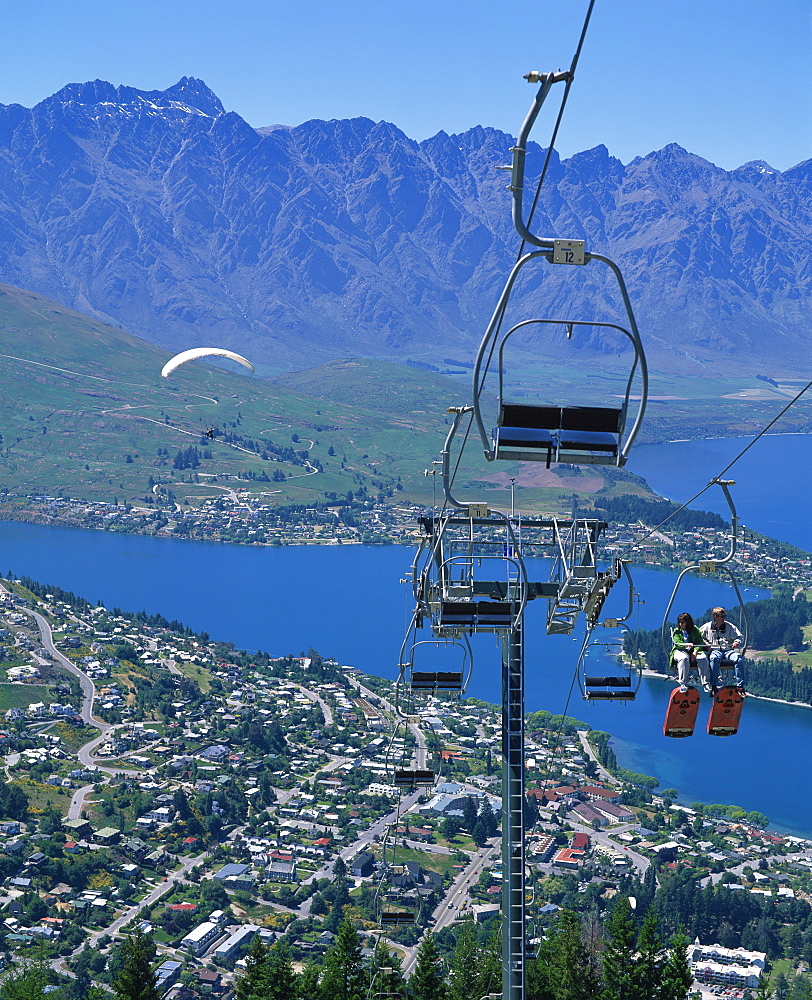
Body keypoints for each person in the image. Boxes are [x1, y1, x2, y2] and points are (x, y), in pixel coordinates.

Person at [700, 607, 745, 691]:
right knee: (714, 659)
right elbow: (699, 637)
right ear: (715, 617)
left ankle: (740, 686)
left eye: (724, 616)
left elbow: (739, 636)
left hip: (728, 650)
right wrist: (707, 644)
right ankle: (714, 685)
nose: (724, 618)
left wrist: (736, 642)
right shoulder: (707, 627)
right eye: (722, 616)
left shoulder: (729, 626)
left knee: (739, 659)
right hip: (715, 650)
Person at [670, 612, 711, 694]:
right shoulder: (677, 631)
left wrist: (695, 652)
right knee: (684, 658)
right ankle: (682, 683)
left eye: (682, 622)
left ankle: (705, 683)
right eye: (679, 622)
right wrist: (686, 645)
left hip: (693, 650)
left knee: (703, 658)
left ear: (687, 623)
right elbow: (677, 643)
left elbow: (699, 642)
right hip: (680, 650)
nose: (680, 624)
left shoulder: (695, 630)